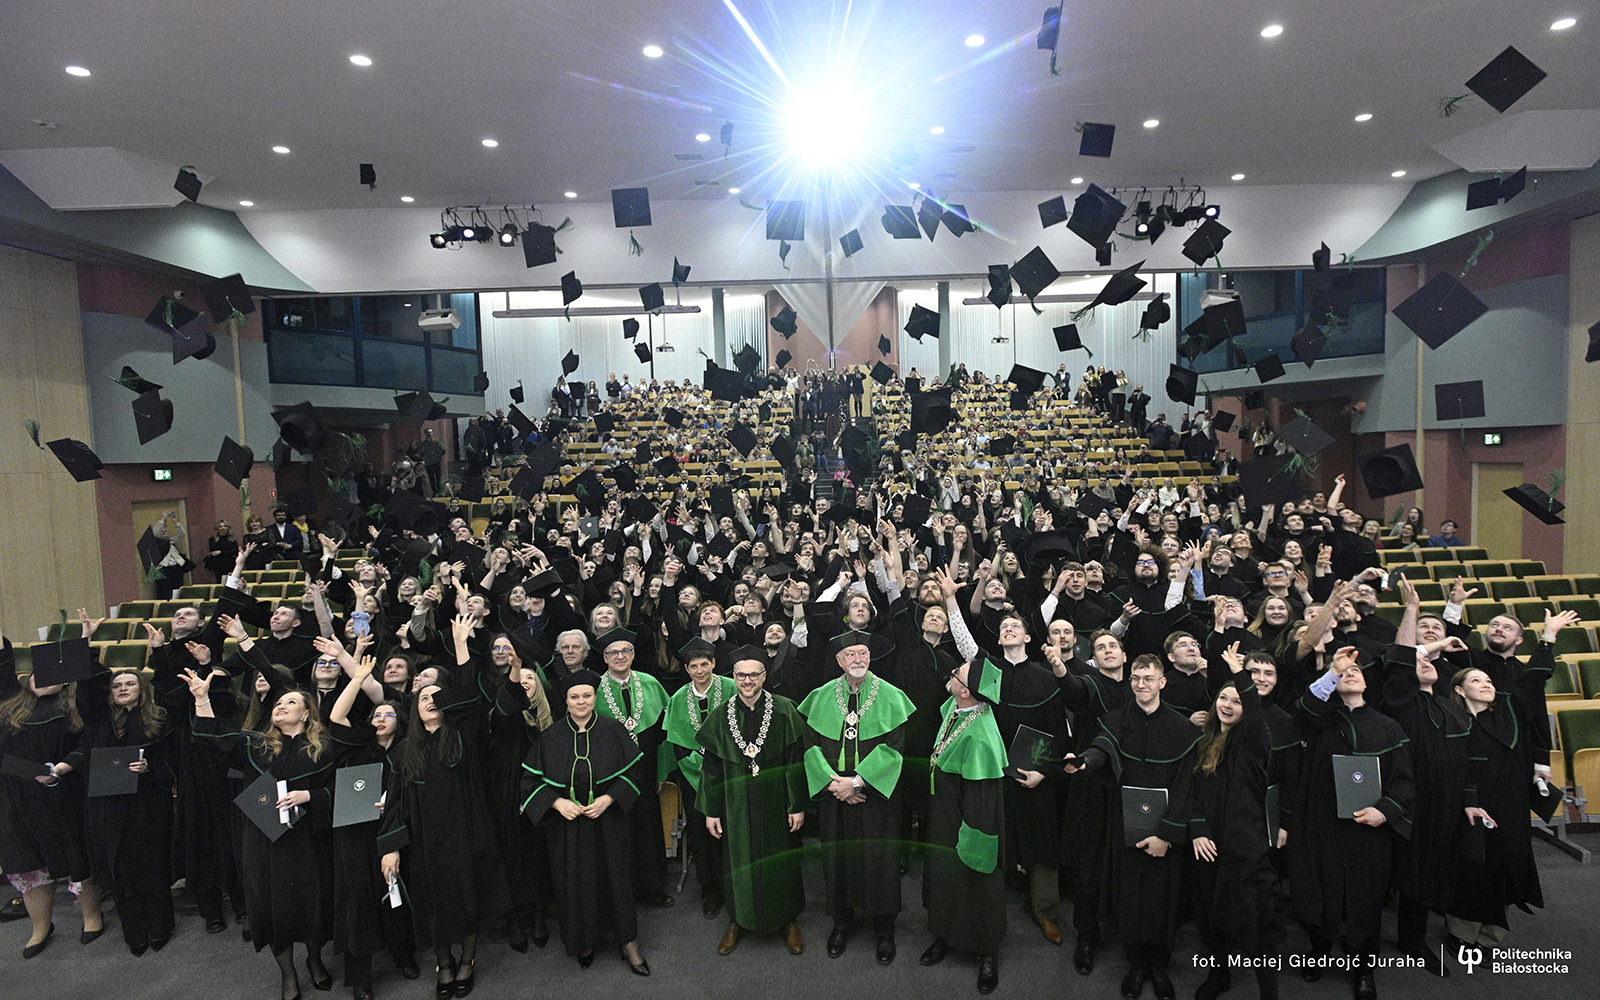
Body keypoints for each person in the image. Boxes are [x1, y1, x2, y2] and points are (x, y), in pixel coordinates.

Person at [377, 612, 511, 998]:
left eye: (438, 697)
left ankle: (467, 959)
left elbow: (468, 694)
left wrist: (461, 646)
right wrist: (390, 848)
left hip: (467, 832)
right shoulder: (403, 752)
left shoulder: (464, 737)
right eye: (424, 698)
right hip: (425, 841)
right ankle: (444, 962)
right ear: (415, 709)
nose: (431, 702)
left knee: (469, 899)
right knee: (434, 906)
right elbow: (394, 802)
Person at [186, 661, 335, 1000]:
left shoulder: (323, 749)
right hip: (263, 839)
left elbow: (339, 788)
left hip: (307, 838)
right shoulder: (255, 744)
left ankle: (314, 960)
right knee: (271, 906)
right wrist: (202, 699)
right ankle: (288, 974)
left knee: (311, 904)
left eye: (290, 702)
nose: (280, 706)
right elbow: (213, 739)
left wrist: (310, 795)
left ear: (307, 714)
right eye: (278, 704)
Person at [1064, 654, 1201, 1000]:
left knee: (1164, 898)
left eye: (1148, 678)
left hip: (1166, 828)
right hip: (1127, 822)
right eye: (1137, 679)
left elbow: (1187, 786)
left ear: (1162, 682)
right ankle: (1137, 964)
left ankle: (1160, 965)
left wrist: (1167, 834)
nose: (1142, 684)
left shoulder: (1183, 728)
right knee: (1131, 894)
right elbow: (1102, 749)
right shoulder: (1117, 719)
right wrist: (1084, 762)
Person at [1286, 646, 1415, 1000]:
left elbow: (1404, 781)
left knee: (1365, 898)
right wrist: (1333, 671)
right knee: (1319, 891)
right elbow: (1304, 708)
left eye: (1356, 671)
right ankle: (1319, 949)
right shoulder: (1319, 719)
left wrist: (1384, 811)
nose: (1350, 674)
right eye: (1343, 673)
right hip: (1321, 821)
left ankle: (1363, 966)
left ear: (1368, 684)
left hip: (1368, 829)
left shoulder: (1389, 727)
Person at [1445, 610, 1573, 948]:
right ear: (1459, 689)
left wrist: (1548, 638)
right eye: (1477, 681)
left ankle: (1491, 934)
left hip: (1510, 797)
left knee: (1508, 859)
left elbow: (1534, 680)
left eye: (1488, 681)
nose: (1487, 684)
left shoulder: (1509, 711)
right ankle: (1462, 933)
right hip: (1471, 800)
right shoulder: (1452, 721)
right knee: (1471, 864)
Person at [519, 669, 651, 974]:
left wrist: (609, 799)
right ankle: (584, 941)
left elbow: (634, 773)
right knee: (574, 884)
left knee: (617, 880)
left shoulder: (613, 730)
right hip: (569, 828)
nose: (581, 702)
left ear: (595, 698)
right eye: (575, 697)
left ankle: (629, 943)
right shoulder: (550, 736)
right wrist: (557, 803)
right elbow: (529, 782)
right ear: (566, 700)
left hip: (608, 823)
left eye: (587, 696)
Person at [798, 630, 915, 964]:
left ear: (870, 657)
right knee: (838, 857)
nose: (858, 659)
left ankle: (884, 928)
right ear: (839, 660)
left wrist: (859, 782)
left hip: (875, 796)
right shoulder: (821, 696)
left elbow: (895, 747)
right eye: (850, 654)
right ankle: (842, 923)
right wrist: (835, 785)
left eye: (863, 653)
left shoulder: (890, 695)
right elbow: (810, 746)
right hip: (835, 794)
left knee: (880, 858)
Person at [0, 614, 109, 959]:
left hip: (63, 793)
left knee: (77, 857)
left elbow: (87, 744)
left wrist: (61, 768)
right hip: (18, 799)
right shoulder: (9, 708)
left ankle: (92, 916)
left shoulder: (74, 709)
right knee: (29, 862)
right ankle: (40, 926)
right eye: (38, 674)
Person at [1187, 642, 1284, 1000]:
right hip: (1209, 847)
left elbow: (1255, 711)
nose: (1228, 705)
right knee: (1213, 918)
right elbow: (1191, 794)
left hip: (1246, 849)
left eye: (1237, 701)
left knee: (1258, 925)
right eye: (1223, 699)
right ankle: (1219, 974)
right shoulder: (1203, 742)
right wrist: (1198, 829)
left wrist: (1240, 675)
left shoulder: (1255, 739)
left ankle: (1268, 991)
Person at [697, 646, 808, 956]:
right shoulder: (720, 716)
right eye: (741, 675)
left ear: (764, 676)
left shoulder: (784, 710)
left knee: (781, 859)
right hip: (736, 804)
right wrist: (711, 811)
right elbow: (711, 768)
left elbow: (795, 762)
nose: (747, 681)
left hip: (776, 800)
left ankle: (788, 920)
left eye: (754, 675)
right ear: (733, 677)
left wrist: (797, 805)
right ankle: (737, 919)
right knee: (738, 863)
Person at [920, 654, 1007, 994]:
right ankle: (945, 935)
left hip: (968, 822)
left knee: (977, 883)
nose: (952, 673)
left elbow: (983, 797)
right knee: (945, 878)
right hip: (944, 814)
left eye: (957, 674)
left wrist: (971, 837)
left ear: (966, 692)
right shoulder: (955, 709)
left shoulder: (981, 735)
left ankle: (987, 953)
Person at [84, 668, 177, 957]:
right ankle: (135, 932)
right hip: (111, 805)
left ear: (142, 689)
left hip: (148, 802)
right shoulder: (101, 721)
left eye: (129, 684)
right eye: (116, 685)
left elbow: (172, 758)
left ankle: (160, 927)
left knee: (152, 863)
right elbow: (87, 694)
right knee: (121, 867)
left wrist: (150, 768)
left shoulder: (158, 719)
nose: (123, 689)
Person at [590, 627, 673, 907]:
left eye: (625, 650)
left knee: (649, 826)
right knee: (619, 830)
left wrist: (661, 771)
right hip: (611, 774)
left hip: (647, 770)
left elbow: (664, 734)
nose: (620, 656)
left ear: (634, 654)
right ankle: (623, 890)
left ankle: (653, 886)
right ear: (604, 658)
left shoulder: (650, 683)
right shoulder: (594, 689)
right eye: (613, 652)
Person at [661, 638, 735, 918]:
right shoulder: (679, 698)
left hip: (731, 771)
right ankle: (710, 889)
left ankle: (734, 885)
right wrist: (700, 767)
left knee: (732, 828)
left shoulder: (731, 688)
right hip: (694, 776)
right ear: (687, 669)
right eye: (694, 667)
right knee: (701, 834)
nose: (700, 671)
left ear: (714, 663)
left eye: (705, 664)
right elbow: (677, 744)